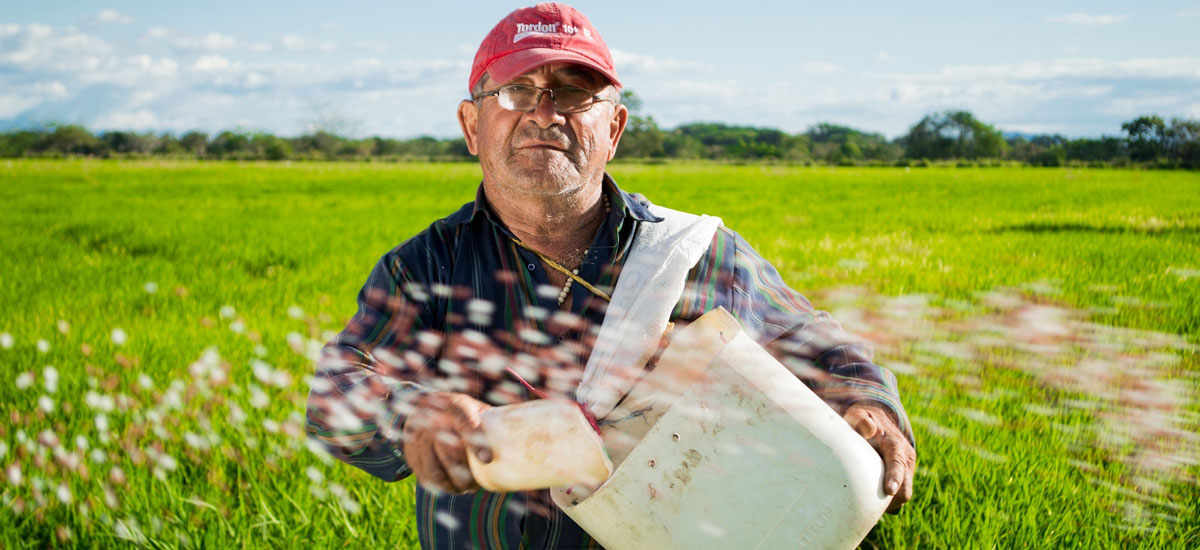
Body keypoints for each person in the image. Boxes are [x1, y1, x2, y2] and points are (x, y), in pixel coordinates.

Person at [306, 3, 916, 548]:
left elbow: (814, 342)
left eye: (574, 94)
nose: (545, 114)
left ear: (614, 129)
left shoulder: (689, 253)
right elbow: (336, 392)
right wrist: (411, 416)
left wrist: (866, 401)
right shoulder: (426, 267)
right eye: (517, 91)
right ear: (472, 126)